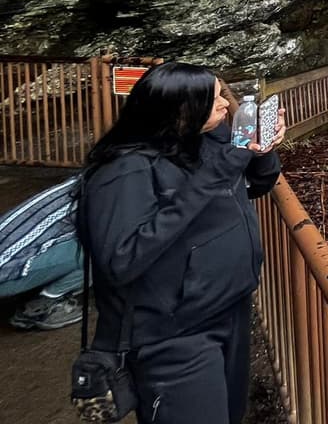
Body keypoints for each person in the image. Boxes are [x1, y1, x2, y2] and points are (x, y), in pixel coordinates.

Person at [76, 63, 286, 424]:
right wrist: (210, 177)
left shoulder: (209, 141)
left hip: (229, 308)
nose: (226, 104)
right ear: (181, 110)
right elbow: (121, 260)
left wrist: (261, 149)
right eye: (215, 97)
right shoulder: (124, 171)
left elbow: (257, 184)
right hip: (173, 336)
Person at [0, 174, 83, 330]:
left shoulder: (77, 183)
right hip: (5, 271)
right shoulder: (101, 198)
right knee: (97, 248)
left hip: (7, 255)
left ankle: (32, 288)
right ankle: (44, 306)